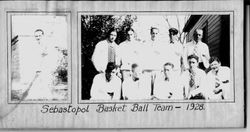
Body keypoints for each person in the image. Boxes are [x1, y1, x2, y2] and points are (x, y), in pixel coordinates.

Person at [26, 29, 59, 100]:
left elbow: (52, 56)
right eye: (36, 36)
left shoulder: (48, 45)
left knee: (46, 86)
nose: (38, 37)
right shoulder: (33, 46)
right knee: (36, 87)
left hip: (45, 68)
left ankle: (48, 100)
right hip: (37, 69)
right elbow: (32, 58)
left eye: (39, 36)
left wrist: (46, 53)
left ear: (43, 36)